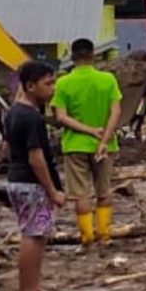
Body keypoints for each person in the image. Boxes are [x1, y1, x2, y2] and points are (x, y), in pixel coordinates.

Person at [50, 38, 123, 248]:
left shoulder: (63, 82)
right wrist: (104, 138)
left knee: (81, 194)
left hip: (75, 145)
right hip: (105, 146)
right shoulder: (108, 79)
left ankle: (87, 238)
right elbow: (116, 111)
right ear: (94, 56)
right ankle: (105, 235)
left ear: (72, 57)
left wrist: (88, 130)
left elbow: (61, 117)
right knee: (104, 191)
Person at [5, 61, 66, 291]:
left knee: (35, 235)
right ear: (30, 86)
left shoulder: (14, 112)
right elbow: (36, 157)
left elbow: (7, 149)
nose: (52, 89)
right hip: (31, 184)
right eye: (48, 84)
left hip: (19, 180)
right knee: (33, 236)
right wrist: (52, 191)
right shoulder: (31, 118)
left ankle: (32, 288)